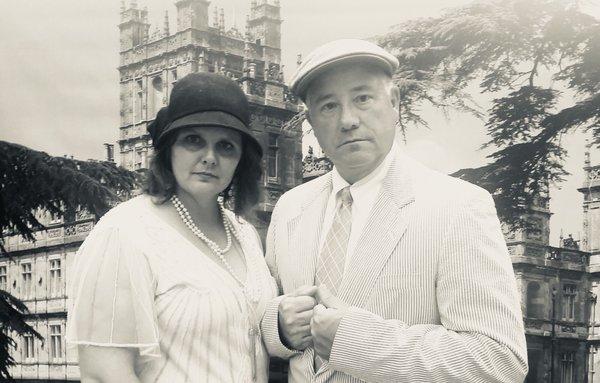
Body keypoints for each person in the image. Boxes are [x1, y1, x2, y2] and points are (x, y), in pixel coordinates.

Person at [260, 39, 528, 382]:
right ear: (310, 120)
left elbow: (498, 360)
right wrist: (279, 328)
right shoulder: (290, 208)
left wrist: (357, 341)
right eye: (328, 106)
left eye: (362, 98)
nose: (348, 120)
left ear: (395, 103)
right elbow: (265, 324)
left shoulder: (458, 206)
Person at [66, 73, 276, 382]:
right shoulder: (125, 232)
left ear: (240, 160)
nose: (210, 158)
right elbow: (103, 372)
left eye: (226, 146)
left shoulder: (244, 233)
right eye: (193, 141)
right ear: (169, 149)